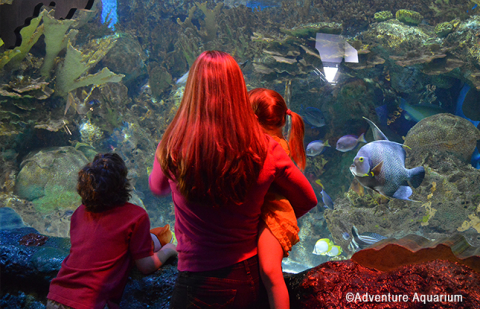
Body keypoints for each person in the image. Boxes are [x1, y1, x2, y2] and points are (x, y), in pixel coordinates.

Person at [149, 50, 317, 309]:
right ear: (239, 89)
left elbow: (156, 187)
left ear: (193, 90)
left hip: (192, 278)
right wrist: (267, 224)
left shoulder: (172, 145)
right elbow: (307, 199)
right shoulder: (265, 148)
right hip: (245, 275)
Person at [47, 153, 177, 309]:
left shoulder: (79, 213)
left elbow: (102, 246)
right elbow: (145, 266)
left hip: (56, 297)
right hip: (89, 302)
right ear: (122, 184)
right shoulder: (136, 216)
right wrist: (169, 250)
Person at [249, 88, 306, 309]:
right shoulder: (271, 142)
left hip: (276, 218)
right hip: (271, 214)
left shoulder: (271, 147)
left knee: (270, 272)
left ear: (251, 117)